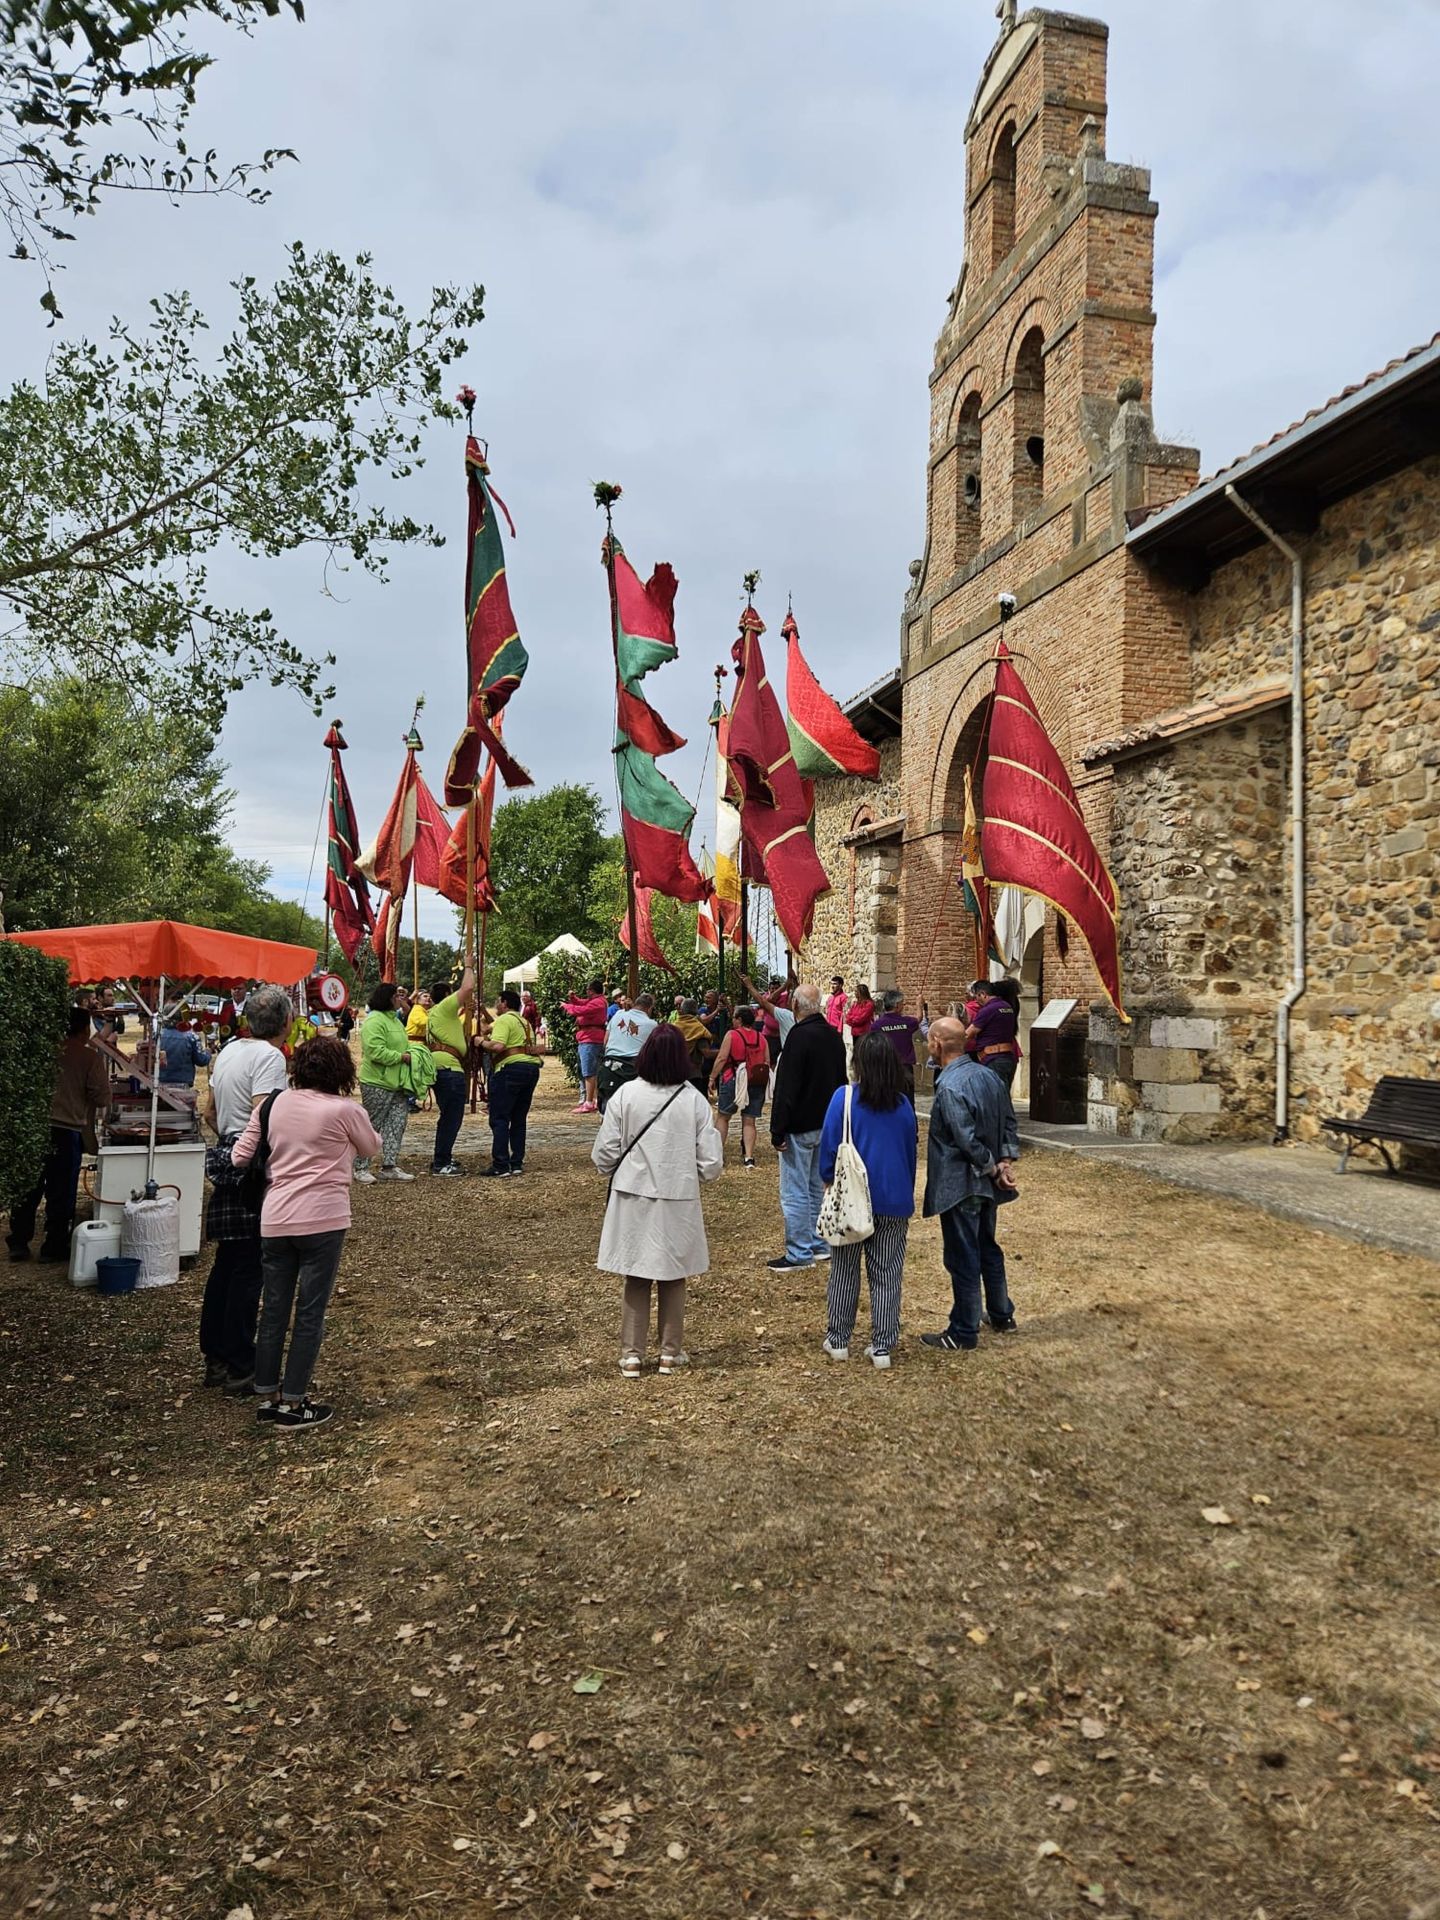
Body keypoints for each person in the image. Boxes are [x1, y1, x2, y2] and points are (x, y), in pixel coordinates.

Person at [234, 1035, 382, 1431]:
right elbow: (371, 1147)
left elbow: (240, 1156)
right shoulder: (345, 1110)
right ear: (342, 1071)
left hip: (275, 1218)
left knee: (274, 1308)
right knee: (310, 1311)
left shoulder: (272, 1104)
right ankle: (295, 1402)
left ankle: (267, 1393)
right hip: (323, 1219)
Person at [592, 1023, 723, 1379]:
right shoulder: (693, 1100)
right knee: (673, 1274)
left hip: (632, 1194)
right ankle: (669, 1352)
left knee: (636, 1274)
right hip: (677, 1195)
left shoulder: (625, 1095)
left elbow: (605, 1152)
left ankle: (631, 1356)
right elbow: (711, 1162)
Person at [201, 984, 293, 1392]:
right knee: (248, 1268)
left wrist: (229, 1142)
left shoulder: (228, 1051)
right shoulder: (270, 1057)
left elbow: (210, 1112)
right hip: (251, 1165)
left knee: (227, 1263)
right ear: (286, 1021)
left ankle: (216, 1356)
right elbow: (263, 1115)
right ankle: (241, 1361)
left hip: (227, 1152)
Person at [920, 1017, 1020, 1352]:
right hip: (985, 1184)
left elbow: (966, 1139)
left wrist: (994, 1166)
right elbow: (1009, 1122)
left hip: (962, 1185)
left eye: (929, 1041)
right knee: (987, 1246)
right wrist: (1004, 1160)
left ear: (937, 1043)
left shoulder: (950, 1087)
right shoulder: (989, 1076)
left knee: (963, 1254)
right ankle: (1001, 1314)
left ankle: (963, 1330)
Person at [819, 1033, 917, 1369]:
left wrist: (827, 1179)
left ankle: (838, 1339)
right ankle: (883, 1345)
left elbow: (830, 1145)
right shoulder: (903, 1105)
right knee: (887, 1273)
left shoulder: (843, 1098)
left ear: (857, 1063)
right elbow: (909, 1151)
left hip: (852, 1197)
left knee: (844, 1270)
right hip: (894, 1196)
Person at [6, 1007, 111, 1264]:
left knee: (29, 1187)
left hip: (34, 1127)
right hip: (66, 1128)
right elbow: (101, 1096)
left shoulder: (41, 1051)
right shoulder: (89, 1057)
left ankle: (18, 1241)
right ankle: (53, 1245)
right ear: (85, 1029)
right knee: (61, 1190)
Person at [766, 983, 847, 1270]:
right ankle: (819, 1244)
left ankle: (799, 1252)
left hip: (800, 1124)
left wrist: (777, 1129)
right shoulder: (833, 1036)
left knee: (795, 1190)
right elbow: (842, 1081)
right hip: (826, 1123)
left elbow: (786, 1087)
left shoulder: (798, 1037)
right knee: (815, 1186)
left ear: (795, 1006)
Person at [354, 982, 416, 1183]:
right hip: (377, 1082)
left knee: (397, 1123)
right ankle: (360, 1167)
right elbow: (375, 1051)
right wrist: (401, 1057)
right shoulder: (374, 1021)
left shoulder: (395, 1020)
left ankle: (390, 1165)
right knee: (373, 1125)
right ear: (387, 998)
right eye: (397, 996)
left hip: (398, 1083)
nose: (400, 999)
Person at [478, 988, 543, 1177]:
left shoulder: (504, 1020)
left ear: (504, 1003)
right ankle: (516, 1163)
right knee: (518, 1118)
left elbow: (498, 1045)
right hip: (530, 1069)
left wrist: (480, 1043)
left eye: (498, 1002)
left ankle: (500, 1164)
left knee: (499, 1118)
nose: (496, 1005)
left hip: (509, 1069)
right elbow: (489, 1029)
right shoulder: (523, 1022)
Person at [425, 969, 475, 1177]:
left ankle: (443, 1156)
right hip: (449, 1069)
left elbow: (452, 1031)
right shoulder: (445, 1007)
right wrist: (469, 966)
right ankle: (441, 1162)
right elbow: (468, 987)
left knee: (448, 1117)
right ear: (447, 995)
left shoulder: (436, 1014)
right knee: (451, 1118)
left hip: (443, 1067)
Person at [708, 1004, 769, 1167]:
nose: (732, 1020)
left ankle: (718, 1154)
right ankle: (749, 1157)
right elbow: (767, 1060)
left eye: (734, 1017)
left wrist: (712, 1077)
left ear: (739, 1020)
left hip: (733, 1079)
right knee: (749, 1120)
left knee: (723, 1117)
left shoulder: (732, 1035)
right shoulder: (761, 1037)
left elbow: (722, 1058)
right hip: (755, 1081)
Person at [599, 991, 658, 1112]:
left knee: (608, 1110)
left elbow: (605, 1041)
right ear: (649, 1008)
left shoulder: (617, 1016)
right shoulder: (652, 1025)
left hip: (610, 1068)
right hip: (634, 1071)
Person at [562, 977, 609, 1114]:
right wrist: (573, 998)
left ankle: (589, 1102)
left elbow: (579, 1010)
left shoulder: (597, 1003)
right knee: (592, 1071)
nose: (586, 992)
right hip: (589, 1039)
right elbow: (581, 1002)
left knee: (589, 1072)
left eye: (588, 990)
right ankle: (595, 1099)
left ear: (592, 991)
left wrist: (566, 1006)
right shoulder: (597, 1001)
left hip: (590, 1040)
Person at [966, 978, 1022, 1089]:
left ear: (983, 994)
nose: (976, 1001)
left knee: (993, 1095)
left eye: (976, 997)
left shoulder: (988, 1010)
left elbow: (969, 1034)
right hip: (1008, 1057)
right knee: (1003, 1094)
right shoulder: (1007, 1007)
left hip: (993, 1059)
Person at [872, 989, 922, 1100]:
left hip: (885, 1067)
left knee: (887, 1099)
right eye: (902, 1003)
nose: (903, 1006)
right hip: (904, 1068)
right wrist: (919, 1004)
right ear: (897, 1005)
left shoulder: (876, 1025)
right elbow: (919, 1018)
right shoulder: (907, 1022)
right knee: (906, 1099)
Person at [159, 1018, 210, 1088]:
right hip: (182, 1082)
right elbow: (201, 1060)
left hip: (160, 1081)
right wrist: (208, 1053)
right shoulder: (191, 1037)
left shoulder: (158, 1035)